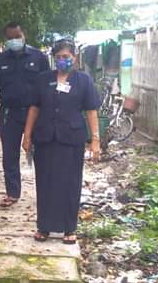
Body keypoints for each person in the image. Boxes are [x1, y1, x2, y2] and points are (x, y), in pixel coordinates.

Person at [22, 39, 101, 245]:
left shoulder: (83, 80)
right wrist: (27, 135)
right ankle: (44, 226)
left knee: (70, 183)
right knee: (45, 182)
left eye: (66, 57)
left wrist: (95, 140)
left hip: (71, 139)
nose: (62, 60)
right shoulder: (43, 79)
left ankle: (69, 228)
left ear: (74, 58)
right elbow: (34, 107)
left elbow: (91, 110)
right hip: (45, 138)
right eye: (58, 57)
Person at [0, 21, 50, 207]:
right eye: (10, 38)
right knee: (9, 154)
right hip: (9, 114)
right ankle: (12, 192)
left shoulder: (39, 58)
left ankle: (45, 192)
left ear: (24, 34)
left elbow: (48, 85)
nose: (14, 40)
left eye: (17, 37)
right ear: (6, 39)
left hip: (34, 113)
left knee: (40, 153)